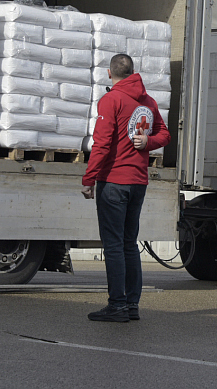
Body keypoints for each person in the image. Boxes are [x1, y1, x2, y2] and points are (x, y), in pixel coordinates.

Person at [81, 53, 170, 323]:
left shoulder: (111, 100)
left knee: (114, 245)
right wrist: (149, 141)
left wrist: (89, 179)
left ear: (110, 74)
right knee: (129, 244)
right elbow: (164, 134)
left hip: (115, 181)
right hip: (138, 182)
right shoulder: (148, 101)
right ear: (133, 72)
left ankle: (117, 304)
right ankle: (132, 304)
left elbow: (102, 144)